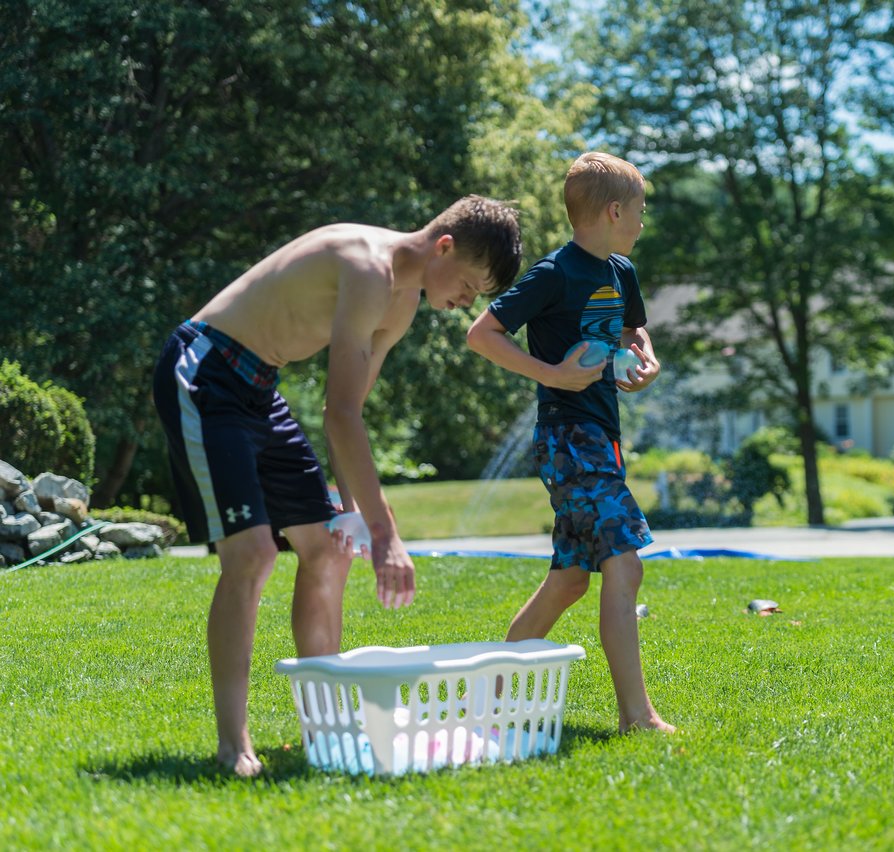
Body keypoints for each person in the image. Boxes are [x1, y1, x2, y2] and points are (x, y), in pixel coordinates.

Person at [152, 196, 523, 776]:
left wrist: (351, 514)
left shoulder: (400, 307)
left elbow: (343, 407)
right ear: (444, 246)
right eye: (470, 288)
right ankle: (233, 745)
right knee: (249, 555)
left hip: (258, 390)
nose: (463, 305)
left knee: (329, 548)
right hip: (206, 372)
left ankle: (324, 730)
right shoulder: (364, 265)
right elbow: (341, 417)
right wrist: (385, 532)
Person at [467, 152, 674, 734]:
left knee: (570, 580)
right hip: (568, 437)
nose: (640, 223)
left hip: (601, 437)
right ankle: (637, 717)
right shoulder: (554, 274)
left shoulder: (620, 272)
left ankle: (490, 696)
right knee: (624, 566)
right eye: (638, 213)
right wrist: (552, 374)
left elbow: (633, 328)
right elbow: (482, 334)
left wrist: (646, 354)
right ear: (614, 211)